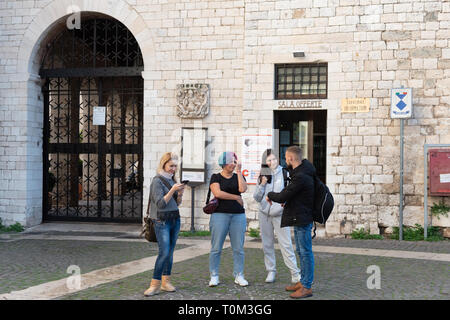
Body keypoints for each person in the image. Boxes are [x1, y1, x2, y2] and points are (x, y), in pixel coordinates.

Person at [266, 146, 315, 299]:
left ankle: (306, 286)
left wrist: (270, 194)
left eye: (286, 158)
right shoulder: (302, 172)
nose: (285, 160)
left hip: (303, 217)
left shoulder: (301, 175)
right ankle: (303, 282)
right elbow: (295, 194)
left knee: (305, 253)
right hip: (300, 216)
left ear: (291, 159)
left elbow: (283, 195)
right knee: (301, 251)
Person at [253, 149, 300, 284]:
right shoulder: (263, 175)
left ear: (278, 159)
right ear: (265, 162)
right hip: (264, 214)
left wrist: (285, 204)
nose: (272, 162)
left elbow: (291, 192)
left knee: (286, 244)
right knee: (267, 244)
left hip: (280, 214)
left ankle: (295, 273)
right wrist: (262, 183)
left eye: (274, 159)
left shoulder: (285, 173)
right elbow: (256, 197)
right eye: (269, 160)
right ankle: (271, 271)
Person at [144, 152, 185, 296]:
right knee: (164, 252)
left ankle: (166, 282)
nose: (173, 169)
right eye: (171, 165)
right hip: (161, 221)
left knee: (170, 252)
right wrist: (173, 190)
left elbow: (177, 203)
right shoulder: (157, 181)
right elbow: (161, 204)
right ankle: (154, 284)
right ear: (164, 164)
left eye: (175, 166)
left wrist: (179, 194)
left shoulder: (173, 180)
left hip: (175, 219)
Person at [208, 151, 248, 287]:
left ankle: (239, 275)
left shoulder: (238, 176)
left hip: (238, 215)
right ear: (223, 163)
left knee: (238, 248)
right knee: (216, 248)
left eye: (235, 161)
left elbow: (242, 189)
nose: (233, 164)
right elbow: (217, 193)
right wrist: (236, 197)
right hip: (220, 215)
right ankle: (214, 275)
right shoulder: (215, 177)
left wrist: (239, 171)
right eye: (231, 161)